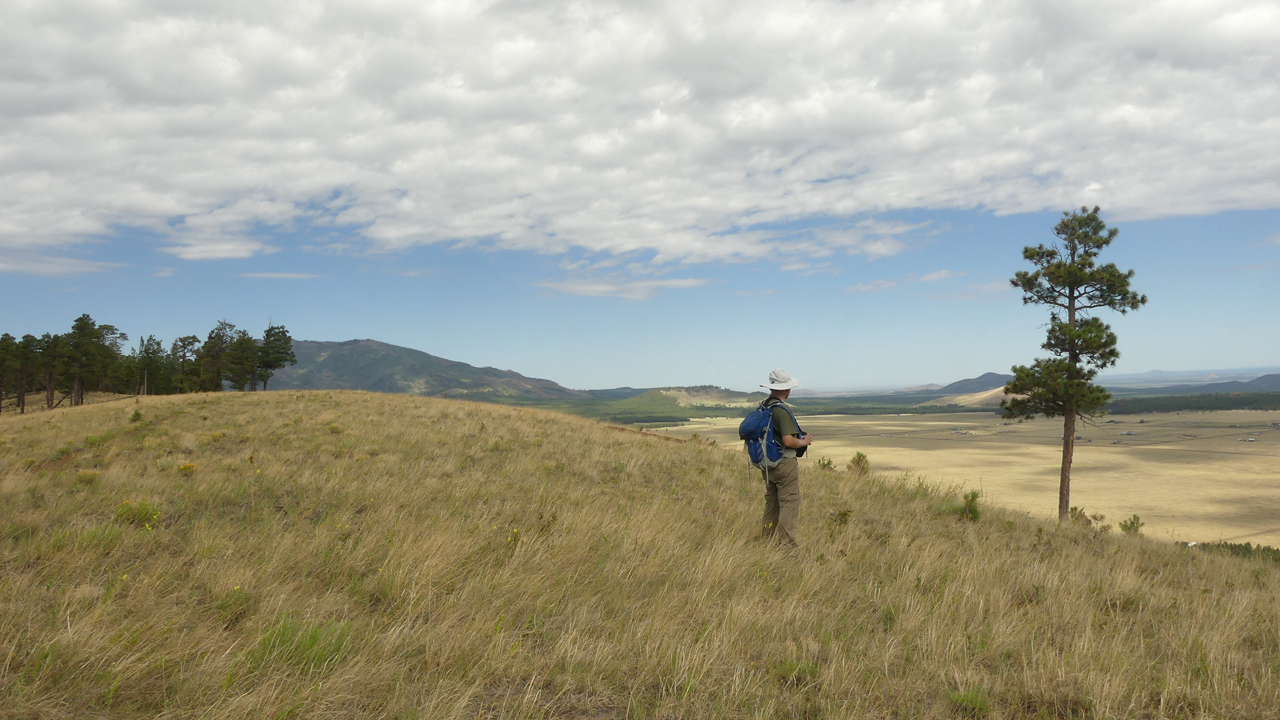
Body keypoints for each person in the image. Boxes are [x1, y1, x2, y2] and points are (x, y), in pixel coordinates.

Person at [758, 368, 813, 546]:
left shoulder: (763, 407)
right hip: (784, 463)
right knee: (790, 502)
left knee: (772, 503)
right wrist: (804, 442)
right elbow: (789, 441)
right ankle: (787, 547)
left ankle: (765, 541)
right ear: (787, 389)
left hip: (767, 464)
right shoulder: (782, 410)